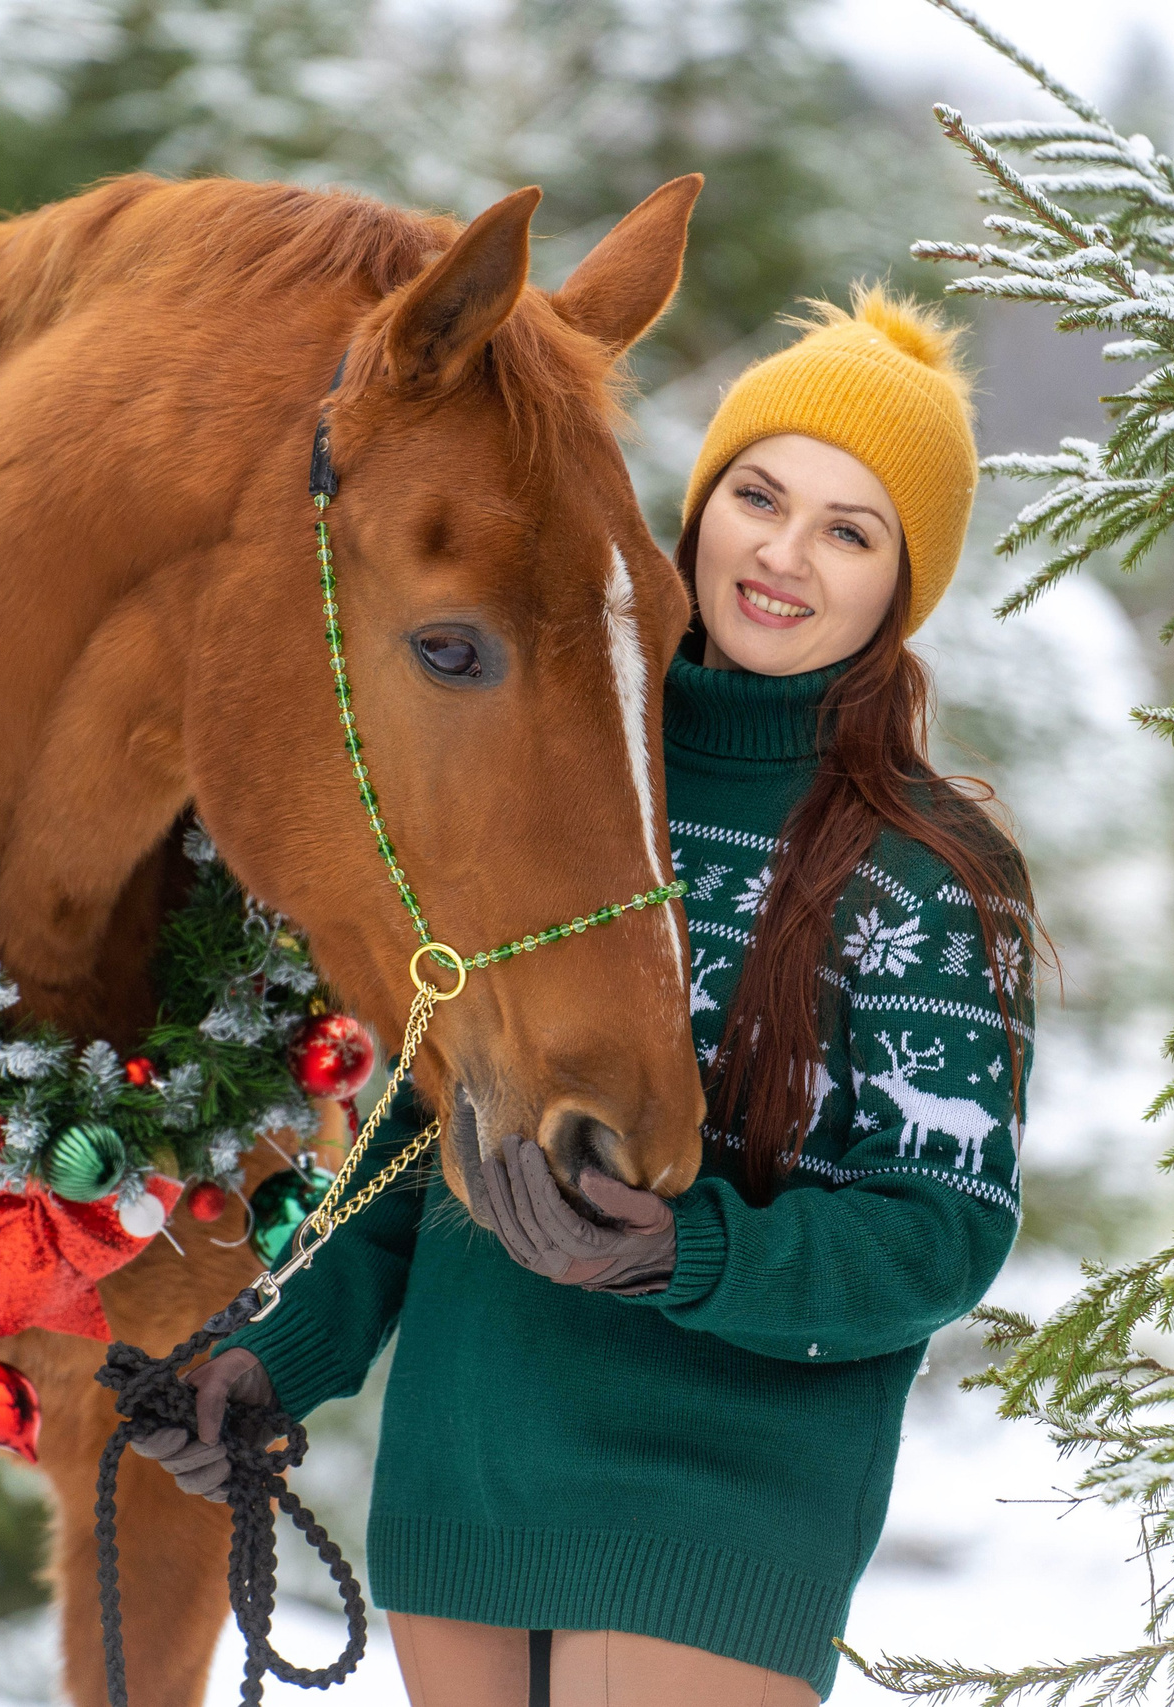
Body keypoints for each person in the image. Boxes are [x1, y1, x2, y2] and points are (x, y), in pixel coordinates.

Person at [137, 287, 1040, 1705]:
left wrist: (693, 1255)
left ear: (900, 587)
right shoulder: (569, 761)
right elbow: (437, 1102)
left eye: (849, 531)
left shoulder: (925, 866)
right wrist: (276, 1356)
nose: (783, 554)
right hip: (471, 1468)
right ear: (699, 507)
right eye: (759, 496)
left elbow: (944, 1232)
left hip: (724, 1499)